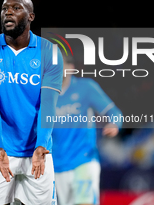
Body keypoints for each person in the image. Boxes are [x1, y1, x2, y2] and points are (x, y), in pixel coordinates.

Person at [0, 0, 63, 205]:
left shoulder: (50, 52)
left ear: (31, 16)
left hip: (37, 152)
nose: (8, 12)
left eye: (16, 8)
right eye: (4, 9)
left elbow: (47, 104)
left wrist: (41, 145)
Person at [52, 55, 122, 205]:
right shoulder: (46, 94)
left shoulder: (86, 87)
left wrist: (114, 124)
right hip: (56, 166)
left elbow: (115, 112)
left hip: (83, 159)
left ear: (71, 68)